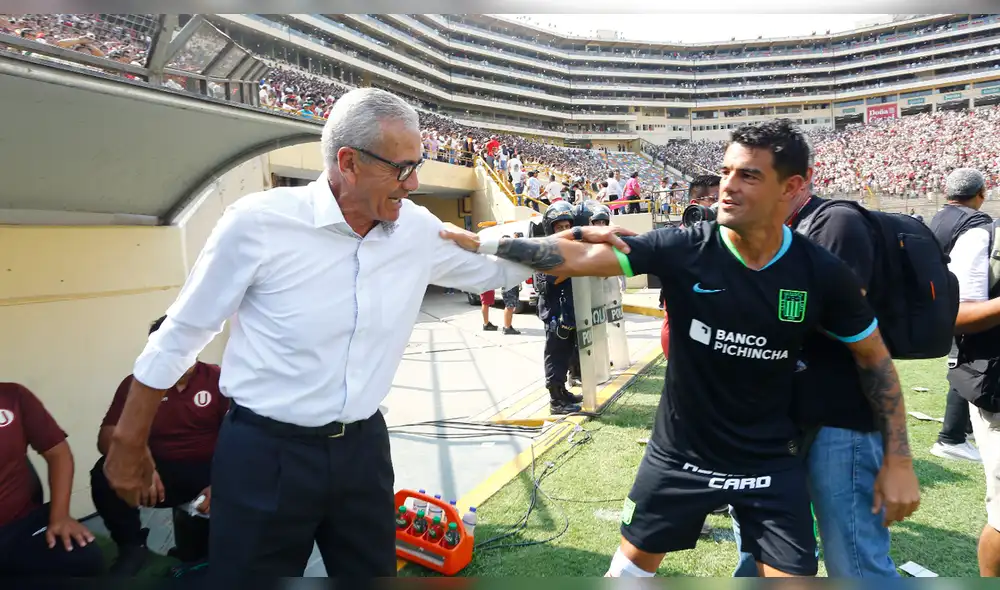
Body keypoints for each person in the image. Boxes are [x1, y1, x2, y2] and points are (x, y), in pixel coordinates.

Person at [100, 88, 620, 578]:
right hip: (266, 453)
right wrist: (129, 437)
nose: (413, 183)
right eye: (402, 168)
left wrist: (576, 241)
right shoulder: (257, 224)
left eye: (416, 166)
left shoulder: (414, 228)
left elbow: (494, 271)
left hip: (362, 452)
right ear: (348, 162)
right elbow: (183, 331)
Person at [441, 119, 919, 577]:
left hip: (769, 461)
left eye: (749, 175)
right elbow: (584, 256)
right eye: (727, 170)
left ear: (792, 187)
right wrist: (486, 245)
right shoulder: (687, 247)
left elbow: (876, 362)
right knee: (627, 574)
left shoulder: (821, 272)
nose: (728, 186)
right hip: (680, 455)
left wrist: (898, 461)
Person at [731, 173, 910, 577]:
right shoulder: (778, 233)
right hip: (779, 422)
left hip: (837, 421)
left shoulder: (834, 222)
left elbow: (840, 313)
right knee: (760, 554)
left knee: (855, 563)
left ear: (792, 184)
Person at [91, 315, 228, 575]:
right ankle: (132, 547)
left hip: (210, 470)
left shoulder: (218, 379)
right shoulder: (138, 382)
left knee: (242, 489)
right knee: (104, 473)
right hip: (156, 472)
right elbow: (108, 434)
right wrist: (138, 462)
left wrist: (223, 480)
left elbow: (239, 437)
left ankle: (212, 559)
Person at [928, 168, 1000, 577]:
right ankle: (950, 437)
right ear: (982, 194)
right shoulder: (978, 230)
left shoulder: (942, 219)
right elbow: (960, 310)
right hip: (986, 364)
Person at [0, 382, 104, 577]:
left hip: (22, 524)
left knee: (83, 559)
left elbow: (58, 453)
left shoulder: (12, 396)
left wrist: (60, 516)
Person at [535, 202, 584, 414]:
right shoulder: (543, 251)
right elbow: (543, 283)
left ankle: (563, 392)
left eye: (567, 226)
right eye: (559, 227)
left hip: (569, 314)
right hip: (555, 315)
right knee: (554, 355)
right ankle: (555, 400)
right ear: (550, 228)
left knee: (565, 354)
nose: (564, 231)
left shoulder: (571, 250)